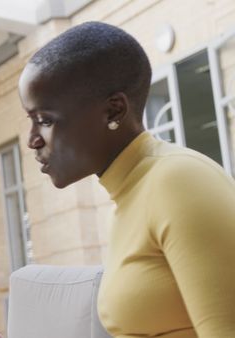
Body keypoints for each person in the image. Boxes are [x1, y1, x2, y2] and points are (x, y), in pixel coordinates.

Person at [17, 21, 235, 337]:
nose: (32, 141)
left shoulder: (178, 181)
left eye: (45, 120)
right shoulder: (128, 199)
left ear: (113, 111)